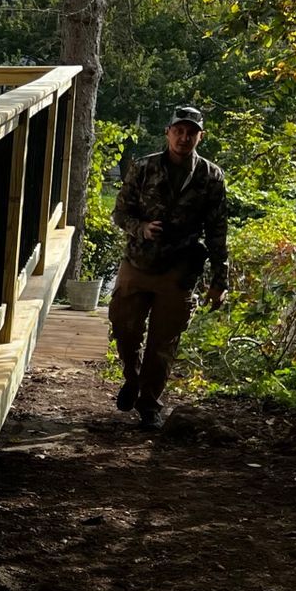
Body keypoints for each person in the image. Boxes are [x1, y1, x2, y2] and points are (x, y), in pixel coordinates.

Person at [107, 105, 228, 430]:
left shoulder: (211, 176)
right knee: (124, 327)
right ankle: (131, 379)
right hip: (138, 260)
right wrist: (141, 228)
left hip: (179, 268)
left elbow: (218, 231)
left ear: (200, 136)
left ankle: (149, 405)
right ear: (168, 132)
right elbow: (120, 213)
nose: (184, 137)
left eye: (191, 132)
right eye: (179, 131)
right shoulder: (143, 167)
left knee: (164, 342)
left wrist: (220, 280)